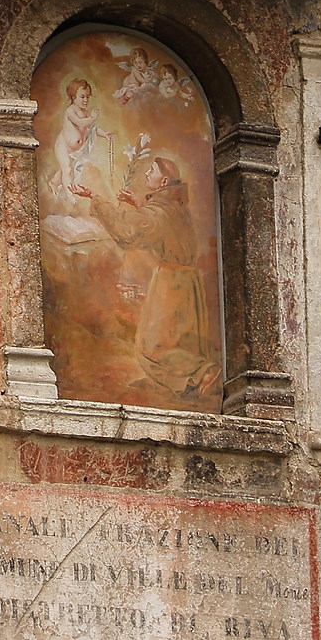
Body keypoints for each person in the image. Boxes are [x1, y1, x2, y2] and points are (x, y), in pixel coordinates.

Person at [71, 154, 220, 403]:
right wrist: (138, 204)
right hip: (184, 282)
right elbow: (160, 229)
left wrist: (93, 199)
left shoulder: (161, 211)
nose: (146, 174)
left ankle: (206, 372)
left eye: (151, 171)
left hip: (171, 284)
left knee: (154, 347)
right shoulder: (174, 207)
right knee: (176, 340)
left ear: (163, 182)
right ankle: (193, 380)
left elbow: (131, 229)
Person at [42, 75, 109, 246]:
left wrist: (105, 134)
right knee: (67, 170)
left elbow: (92, 128)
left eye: (87, 96)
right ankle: (69, 193)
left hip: (75, 150)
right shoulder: (71, 111)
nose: (85, 100)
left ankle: (53, 183)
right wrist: (92, 118)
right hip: (63, 146)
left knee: (67, 168)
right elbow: (81, 122)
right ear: (73, 96)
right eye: (82, 96)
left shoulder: (86, 113)